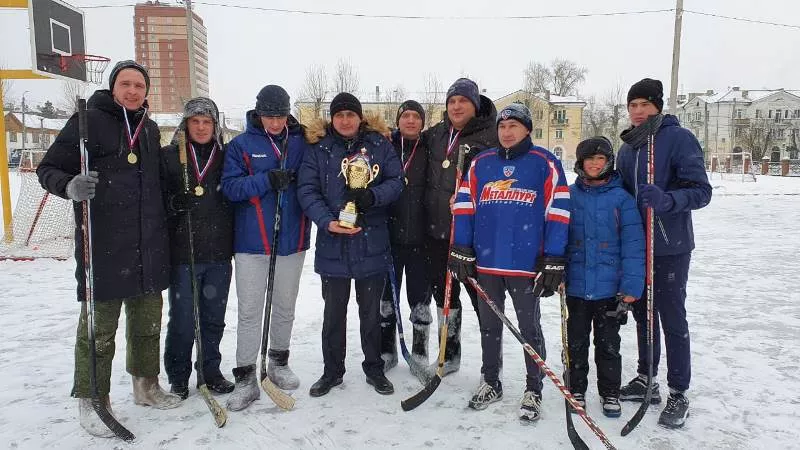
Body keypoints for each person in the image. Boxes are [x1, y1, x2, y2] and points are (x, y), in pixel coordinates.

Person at [36, 60, 180, 437]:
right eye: (125, 84)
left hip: (148, 246)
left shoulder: (149, 129)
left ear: (146, 92)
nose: (132, 91)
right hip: (105, 247)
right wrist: (69, 185)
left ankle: (146, 386)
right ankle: (92, 398)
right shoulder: (89, 122)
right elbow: (48, 168)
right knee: (98, 332)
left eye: (139, 85)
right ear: (113, 87)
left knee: (147, 324)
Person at [448, 103, 569, 421]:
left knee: (529, 328)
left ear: (527, 130)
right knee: (489, 327)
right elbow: (465, 206)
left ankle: (533, 388)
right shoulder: (481, 163)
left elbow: (559, 209)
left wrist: (554, 256)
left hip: (525, 265)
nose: (506, 132)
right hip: (487, 262)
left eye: (513, 126)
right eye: (502, 127)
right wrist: (462, 246)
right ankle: (491, 380)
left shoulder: (544, 162)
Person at [616, 78, 712, 429]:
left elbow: (701, 191)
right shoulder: (628, 147)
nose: (638, 111)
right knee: (643, 316)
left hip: (670, 246)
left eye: (644, 104)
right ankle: (647, 377)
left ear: (657, 106)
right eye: (633, 105)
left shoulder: (679, 139)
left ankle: (678, 390)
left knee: (672, 317)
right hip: (637, 246)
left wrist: (668, 200)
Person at [298, 92, 403, 397]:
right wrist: (326, 221)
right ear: (332, 118)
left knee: (371, 315)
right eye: (339, 115)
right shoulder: (319, 149)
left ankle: (375, 369)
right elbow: (307, 190)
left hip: (371, 243)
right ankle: (332, 372)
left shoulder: (378, 145)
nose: (345, 121)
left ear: (360, 117)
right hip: (333, 244)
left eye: (350, 115)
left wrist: (373, 196)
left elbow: (396, 181)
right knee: (333, 315)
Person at [221, 85, 312, 411]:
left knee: (285, 305)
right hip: (252, 243)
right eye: (269, 116)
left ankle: (278, 361)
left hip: (292, 239)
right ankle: (246, 375)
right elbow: (230, 188)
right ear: (258, 114)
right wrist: (266, 180)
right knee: (250, 310)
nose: (275, 122)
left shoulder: (301, 143)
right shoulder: (241, 145)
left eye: (281, 116)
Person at [422, 77, 498, 376]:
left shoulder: (493, 135)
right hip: (437, 232)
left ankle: (491, 365)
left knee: (482, 301)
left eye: (463, 101)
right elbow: (408, 138)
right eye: (452, 101)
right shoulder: (437, 134)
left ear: (475, 105)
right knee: (445, 298)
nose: (456, 106)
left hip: (474, 237)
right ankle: (449, 354)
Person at [565, 136, 645, 418]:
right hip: (576, 286)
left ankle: (609, 391)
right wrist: (555, 270)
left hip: (610, 289)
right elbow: (558, 237)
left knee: (609, 345)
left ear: (609, 162)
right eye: (590, 159)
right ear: (581, 163)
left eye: (601, 159)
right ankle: (576, 389)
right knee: (576, 342)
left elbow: (633, 247)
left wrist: (631, 286)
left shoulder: (622, 199)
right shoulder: (569, 196)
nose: (595, 164)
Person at [161, 97, 235, 400]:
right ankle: (178, 376)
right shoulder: (170, 157)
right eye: (195, 121)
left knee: (213, 318)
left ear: (215, 125)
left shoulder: (227, 157)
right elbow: (156, 199)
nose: (201, 127)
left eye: (207, 122)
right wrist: (173, 203)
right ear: (186, 124)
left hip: (219, 253)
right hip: (184, 253)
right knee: (182, 319)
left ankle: (210, 371)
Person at [379, 100, 431, 372]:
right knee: (387, 300)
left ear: (423, 121)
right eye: (406, 116)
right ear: (398, 121)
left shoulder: (430, 147)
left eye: (416, 116)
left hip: (422, 239)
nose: (411, 120)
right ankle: (387, 350)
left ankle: (420, 352)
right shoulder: (384, 146)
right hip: (389, 237)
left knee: (420, 300)